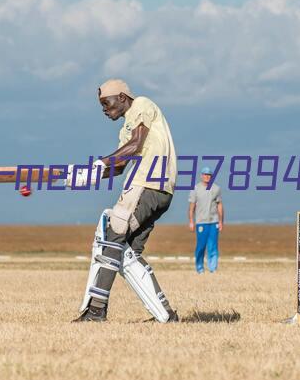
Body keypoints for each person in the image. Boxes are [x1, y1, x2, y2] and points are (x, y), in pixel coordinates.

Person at [72, 79, 179, 323]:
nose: (104, 109)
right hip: (160, 190)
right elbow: (119, 165)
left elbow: (135, 145)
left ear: (122, 97)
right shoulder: (125, 129)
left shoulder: (141, 104)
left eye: (106, 103)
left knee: (110, 237)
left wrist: (100, 163)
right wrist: (86, 175)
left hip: (146, 185)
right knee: (126, 253)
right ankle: (166, 316)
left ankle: (96, 310)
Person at [188, 167, 224, 273]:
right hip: (201, 222)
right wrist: (191, 221)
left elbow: (220, 205)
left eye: (209, 175)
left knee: (213, 245)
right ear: (201, 176)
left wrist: (221, 221)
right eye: (205, 174)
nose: (207, 177)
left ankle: (213, 268)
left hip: (214, 221)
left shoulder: (216, 189)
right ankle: (199, 267)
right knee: (201, 246)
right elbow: (191, 207)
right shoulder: (195, 189)